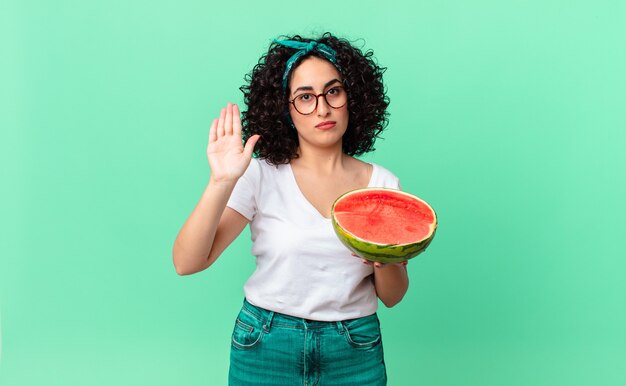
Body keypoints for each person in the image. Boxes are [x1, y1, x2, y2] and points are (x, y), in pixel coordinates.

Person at [173, 32, 409, 386]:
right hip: (266, 343)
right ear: (285, 109)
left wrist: (383, 259)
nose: (322, 108)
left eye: (333, 91)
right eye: (305, 97)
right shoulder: (260, 174)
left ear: (352, 97)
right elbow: (187, 262)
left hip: (354, 347)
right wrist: (221, 181)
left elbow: (392, 296)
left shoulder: (382, 185)